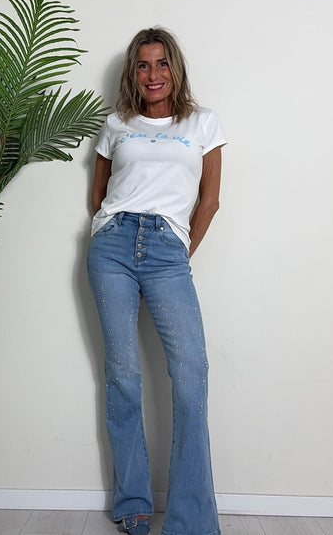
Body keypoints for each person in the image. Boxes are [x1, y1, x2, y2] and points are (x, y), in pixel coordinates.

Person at [87, 27, 226, 535]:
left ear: (175, 69)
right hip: (112, 248)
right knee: (123, 374)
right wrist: (111, 230)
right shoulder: (116, 124)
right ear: (133, 72)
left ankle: (190, 520)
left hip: (167, 249)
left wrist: (177, 251)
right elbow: (99, 194)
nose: (153, 74)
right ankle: (133, 504)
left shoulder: (202, 123)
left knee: (191, 375)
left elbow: (209, 200)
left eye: (162, 63)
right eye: (143, 65)